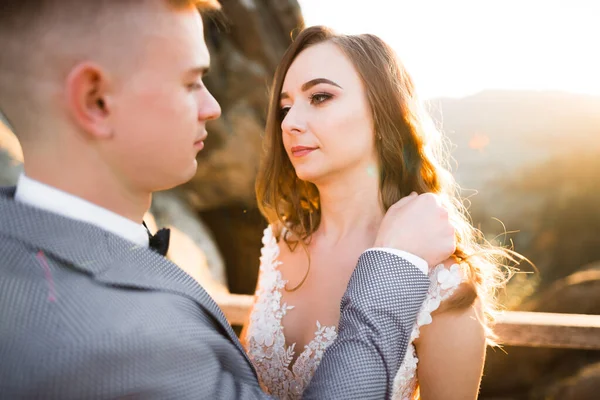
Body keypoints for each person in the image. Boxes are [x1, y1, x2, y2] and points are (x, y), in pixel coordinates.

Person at [0, 2, 455, 399]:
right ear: (96, 100)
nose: (213, 106)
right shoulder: (119, 344)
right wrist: (396, 266)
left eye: (320, 97)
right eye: (191, 81)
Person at [243, 25, 516, 399]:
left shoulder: (441, 280)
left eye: (320, 97)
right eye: (285, 108)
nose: (289, 123)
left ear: (384, 112)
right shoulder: (279, 242)